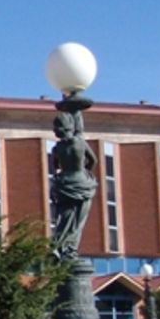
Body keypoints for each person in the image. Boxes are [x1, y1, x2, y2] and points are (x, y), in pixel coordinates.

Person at [49, 110, 97, 260]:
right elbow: (93, 160)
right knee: (77, 222)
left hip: (64, 185)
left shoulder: (56, 148)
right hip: (81, 182)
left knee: (64, 219)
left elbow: (55, 168)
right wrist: (85, 172)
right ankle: (70, 250)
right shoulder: (80, 142)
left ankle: (59, 247)